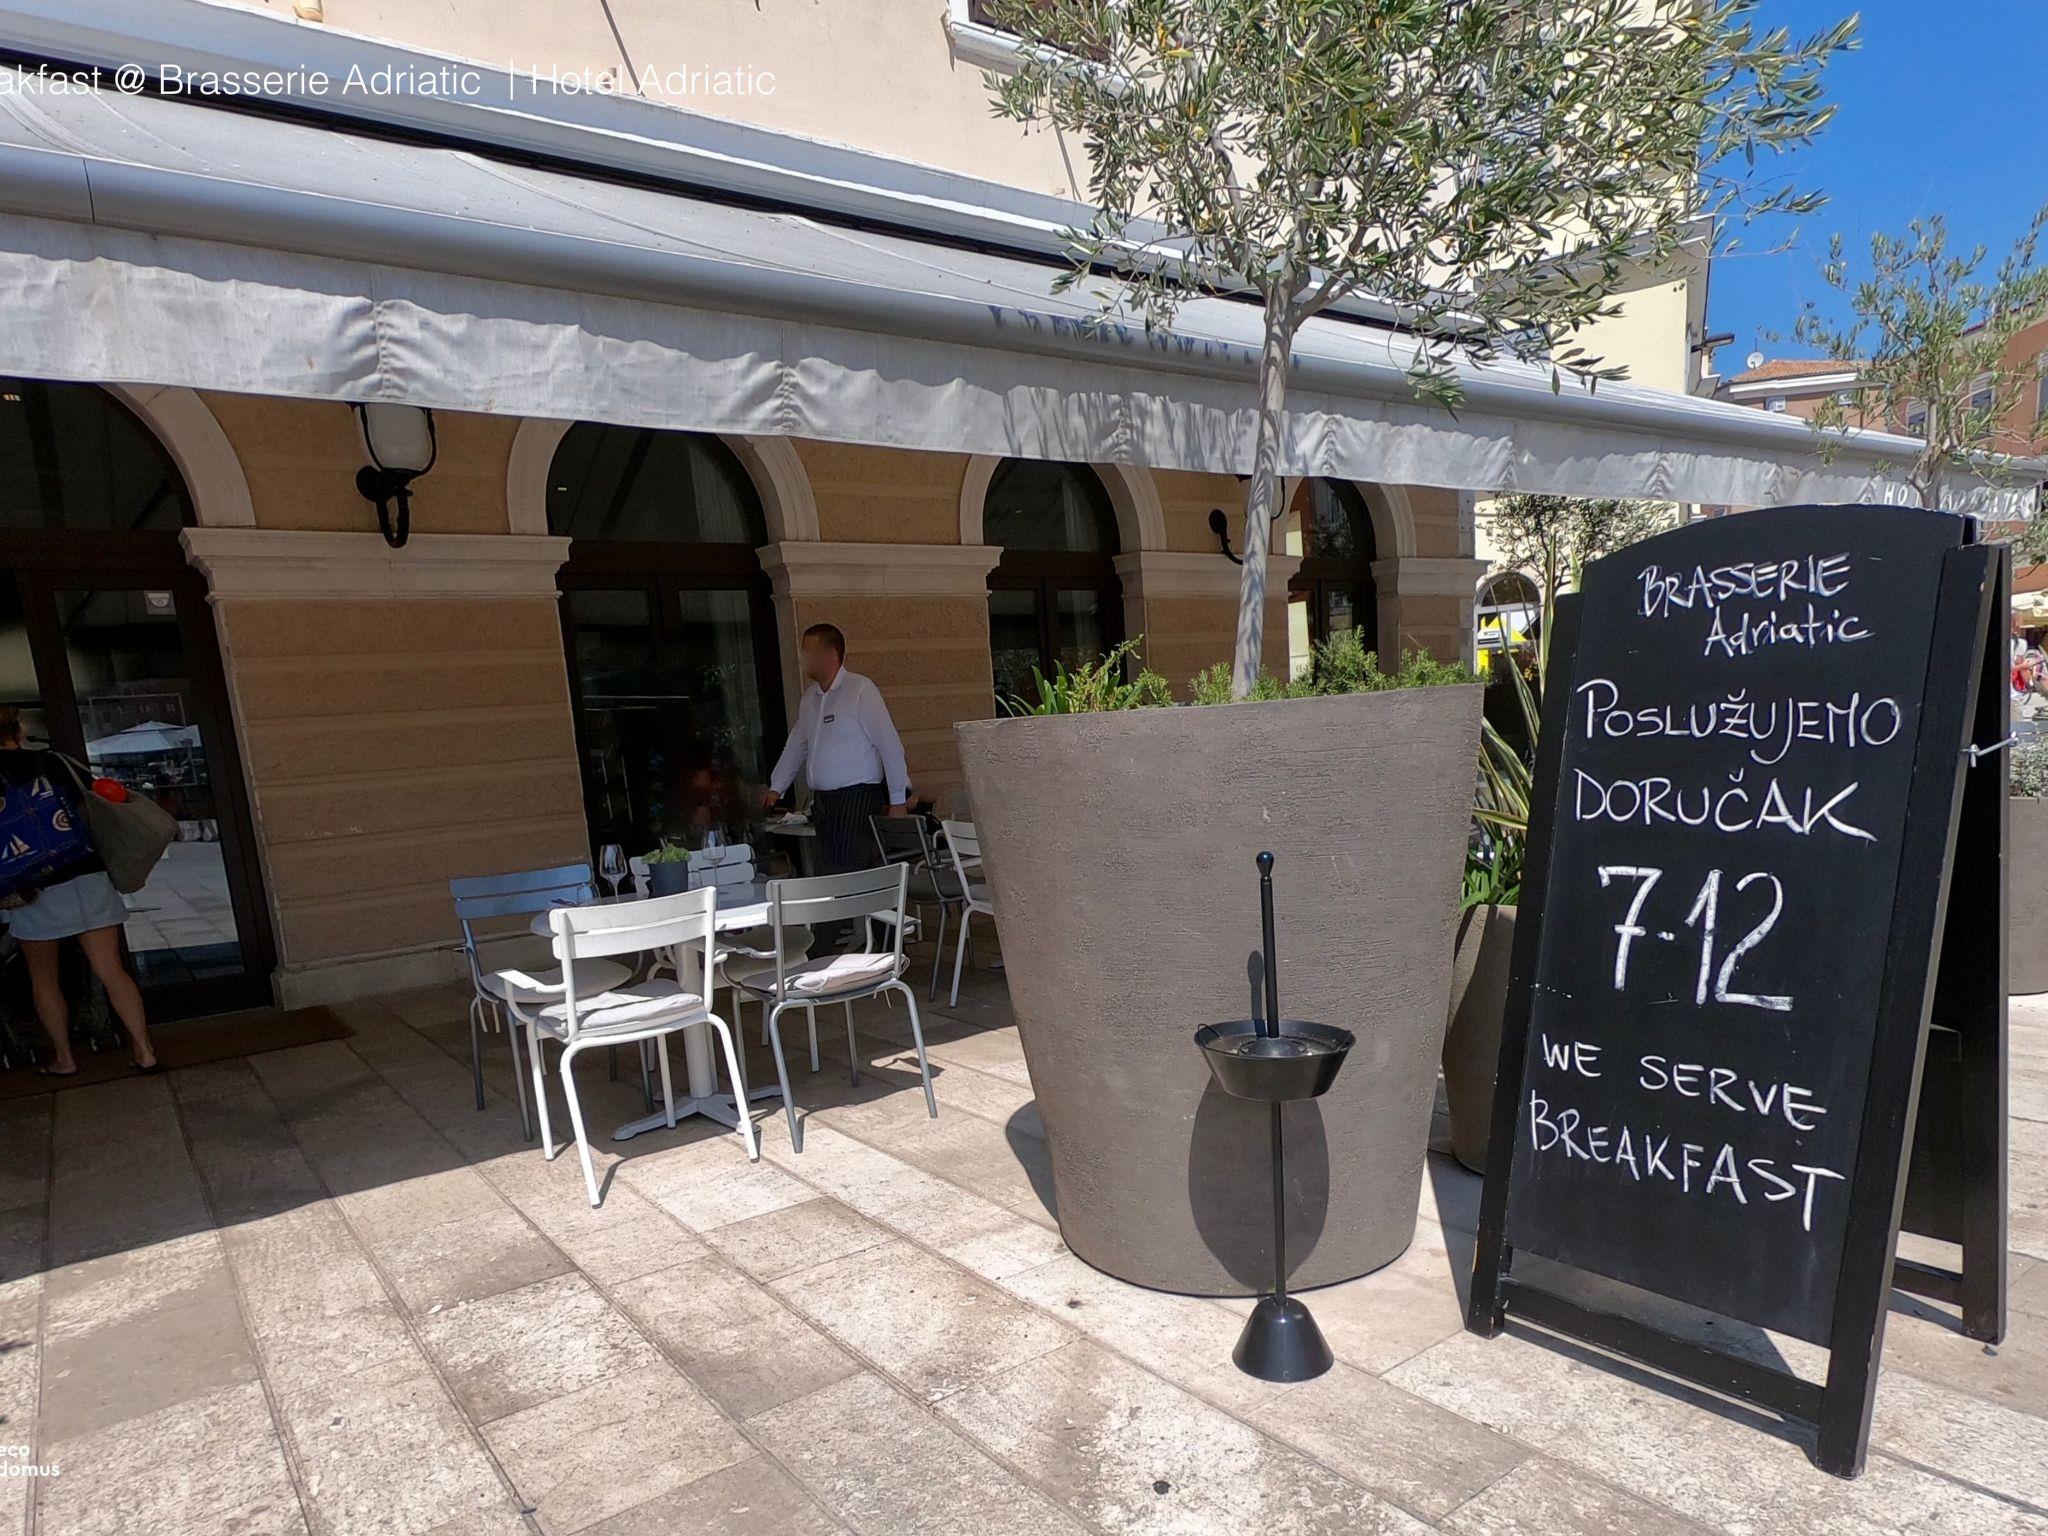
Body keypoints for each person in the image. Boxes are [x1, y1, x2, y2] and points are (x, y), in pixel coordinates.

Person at [0, 706, 158, 1075]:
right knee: (111, 970)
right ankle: (145, 1051)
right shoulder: (54, 762)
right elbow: (93, 805)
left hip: (32, 885)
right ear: (19, 731)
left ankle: (65, 1059)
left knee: (44, 978)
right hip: (85, 872)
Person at [762, 624, 909, 882]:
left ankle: (863, 910)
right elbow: (796, 745)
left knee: (851, 873)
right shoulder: (810, 698)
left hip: (856, 799)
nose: (802, 658)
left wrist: (898, 802)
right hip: (824, 803)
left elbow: (890, 746)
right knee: (830, 873)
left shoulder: (860, 690)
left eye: (808, 651)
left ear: (830, 654)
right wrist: (776, 787)